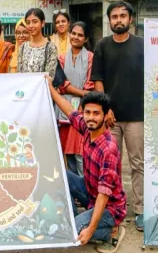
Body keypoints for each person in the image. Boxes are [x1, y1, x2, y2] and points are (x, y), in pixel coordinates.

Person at [48, 86, 126, 252]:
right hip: (90, 194)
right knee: (61, 174)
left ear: (106, 116)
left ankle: (110, 232)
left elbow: (104, 195)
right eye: (87, 112)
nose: (91, 117)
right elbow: (68, 109)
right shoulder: (87, 128)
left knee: (71, 231)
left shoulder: (109, 149)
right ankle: (78, 219)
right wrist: (49, 87)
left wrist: (90, 229)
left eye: (96, 113)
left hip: (110, 208)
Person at [91, 1, 145, 231]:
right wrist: (106, 109)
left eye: (123, 16)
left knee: (138, 164)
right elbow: (98, 80)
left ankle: (141, 209)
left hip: (136, 117)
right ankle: (113, 208)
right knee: (110, 166)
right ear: (109, 20)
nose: (119, 20)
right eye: (114, 17)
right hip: (110, 118)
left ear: (130, 19)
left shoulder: (143, 45)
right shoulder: (102, 46)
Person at [58, 22, 95, 176]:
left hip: (82, 112)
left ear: (86, 39)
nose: (76, 37)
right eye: (73, 33)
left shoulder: (91, 58)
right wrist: (82, 93)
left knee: (81, 152)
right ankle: (75, 195)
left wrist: (82, 101)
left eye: (80, 35)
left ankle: (85, 190)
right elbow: (61, 85)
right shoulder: (61, 58)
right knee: (68, 154)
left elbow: (90, 84)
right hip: (64, 111)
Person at [18, 8, 59, 81]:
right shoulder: (23, 47)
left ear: (42, 23)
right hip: (25, 90)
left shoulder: (51, 47)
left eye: (35, 22)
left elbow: (50, 76)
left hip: (42, 90)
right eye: (28, 22)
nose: (31, 25)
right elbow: (20, 73)